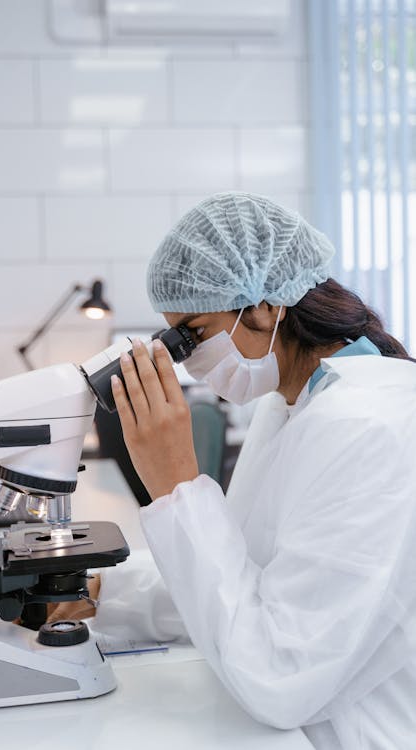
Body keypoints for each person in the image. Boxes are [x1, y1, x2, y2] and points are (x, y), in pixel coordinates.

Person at [51, 192, 416, 750]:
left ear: (266, 306)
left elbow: (279, 676)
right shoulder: (293, 404)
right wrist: (99, 591)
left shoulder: (369, 428)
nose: (189, 358)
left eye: (192, 334)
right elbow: (244, 579)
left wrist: (176, 487)